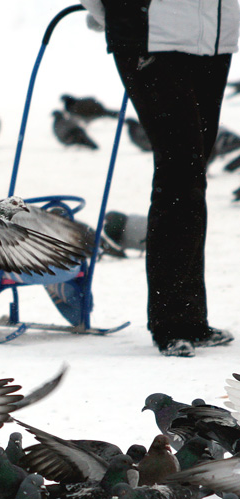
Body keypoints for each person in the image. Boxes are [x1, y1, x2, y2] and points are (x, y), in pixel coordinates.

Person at [81, 0, 238, 357]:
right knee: (180, 169)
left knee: (192, 172)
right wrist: (116, 13)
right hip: (149, 35)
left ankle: (191, 319)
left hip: (215, 38)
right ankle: (171, 323)